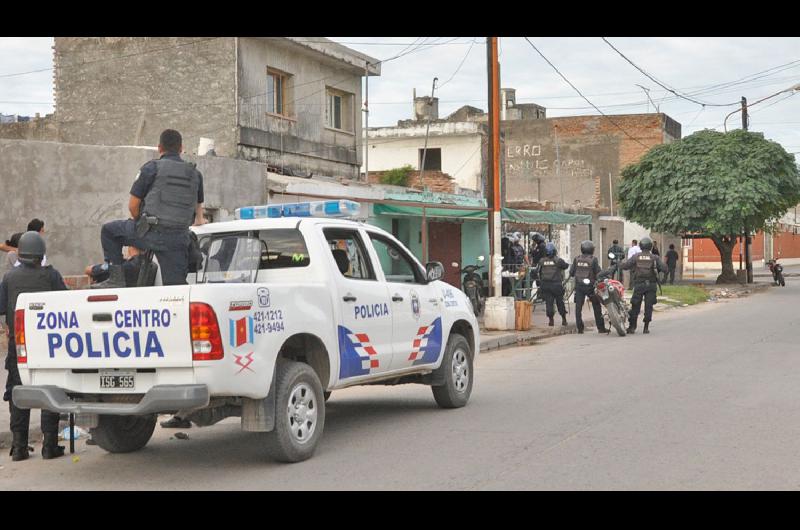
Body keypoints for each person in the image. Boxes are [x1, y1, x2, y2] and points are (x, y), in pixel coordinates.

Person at [94, 129, 205, 288]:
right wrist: (199, 220)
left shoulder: (151, 168)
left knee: (109, 231)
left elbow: (133, 206)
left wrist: (142, 224)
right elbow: (199, 213)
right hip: (178, 239)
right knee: (175, 289)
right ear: (181, 149)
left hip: (151, 233)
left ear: (159, 148)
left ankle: (116, 279)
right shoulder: (196, 174)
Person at [0, 231, 68, 460]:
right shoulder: (51, 276)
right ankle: (50, 445)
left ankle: (19, 447)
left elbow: (1, 307)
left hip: (17, 345)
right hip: (48, 345)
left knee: (18, 392)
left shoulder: (9, 278)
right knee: (50, 389)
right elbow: (65, 304)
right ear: (41, 254)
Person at [621, 237, 666, 335]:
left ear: (640, 246)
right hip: (651, 285)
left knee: (635, 305)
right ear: (650, 246)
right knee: (648, 306)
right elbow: (664, 268)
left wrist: (619, 264)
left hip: (639, 285)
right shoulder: (655, 257)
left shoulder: (636, 256)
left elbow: (625, 266)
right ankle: (646, 328)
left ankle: (632, 327)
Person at [570, 240, 607, 334]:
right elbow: (598, 272)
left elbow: (571, 273)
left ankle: (580, 328)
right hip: (590, 287)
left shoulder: (576, 259)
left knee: (578, 308)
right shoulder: (593, 259)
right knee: (596, 307)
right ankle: (601, 328)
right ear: (592, 249)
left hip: (579, 287)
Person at [537, 242, 569, 327]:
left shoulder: (542, 261)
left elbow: (536, 271)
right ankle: (564, 319)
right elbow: (566, 266)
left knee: (549, 303)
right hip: (556, 285)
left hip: (545, 285)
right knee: (560, 302)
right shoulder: (558, 260)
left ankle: (551, 320)